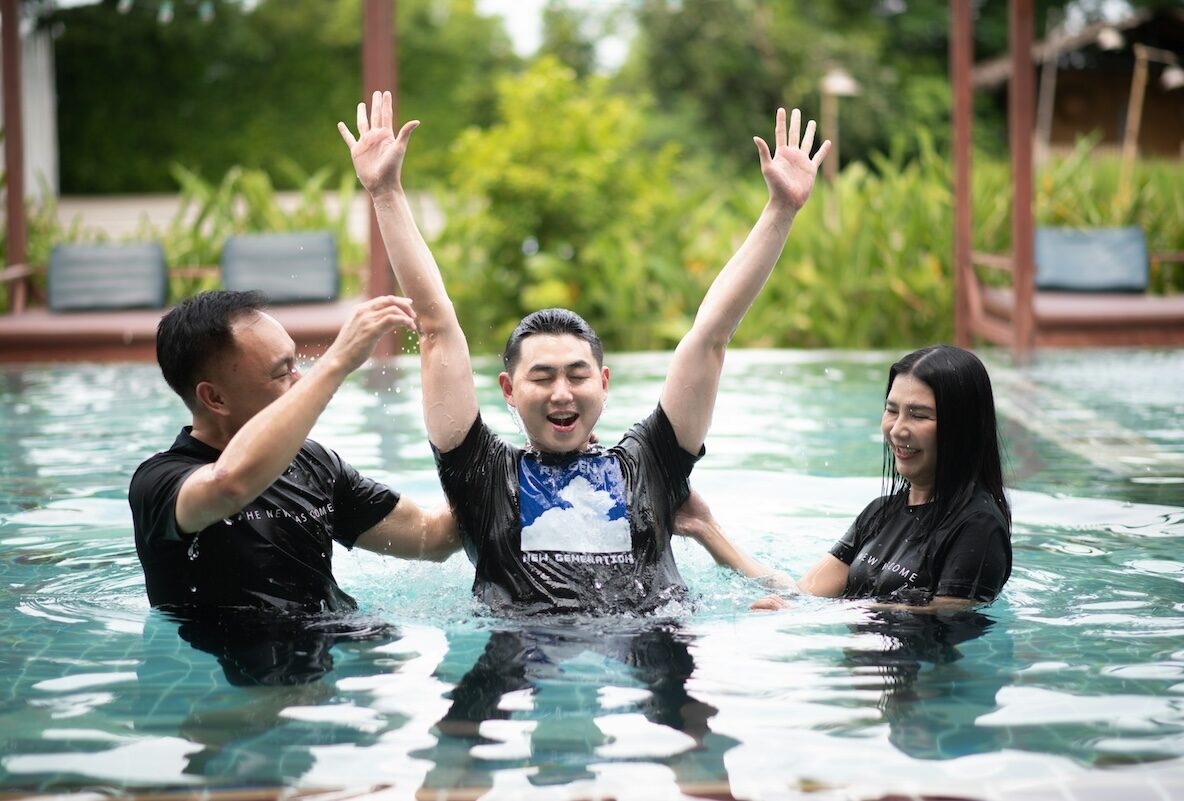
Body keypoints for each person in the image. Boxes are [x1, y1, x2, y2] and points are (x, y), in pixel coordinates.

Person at [338, 90, 830, 615]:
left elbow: (710, 337)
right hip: (520, 654)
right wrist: (386, 193)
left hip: (650, 647)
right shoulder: (484, 476)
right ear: (508, 388)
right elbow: (436, 326)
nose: (561, 393)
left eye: (577, 374)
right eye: (542, 377)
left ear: (604, 382)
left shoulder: (651, 465)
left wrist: (780, 211)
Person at [129, 289, 461, 617]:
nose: (300, 379)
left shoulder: (313, 464)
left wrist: (507, 476)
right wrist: (338, 361)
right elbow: (228, 485)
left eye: (296, 362)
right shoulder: (159, 483)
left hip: (340, 642)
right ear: (215, 399)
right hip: (229, 662)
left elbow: (430, 536)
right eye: (281, 371)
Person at [677, 344, 1013, 613]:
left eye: (919, 415)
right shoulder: (880, 513)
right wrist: (704, 528)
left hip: (930, 690)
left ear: (962, 430)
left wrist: (821, 615)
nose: (897, 429)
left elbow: (947, 615)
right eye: (892, 410)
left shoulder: (978, 526)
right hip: (871, 678)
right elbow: (802, 595)